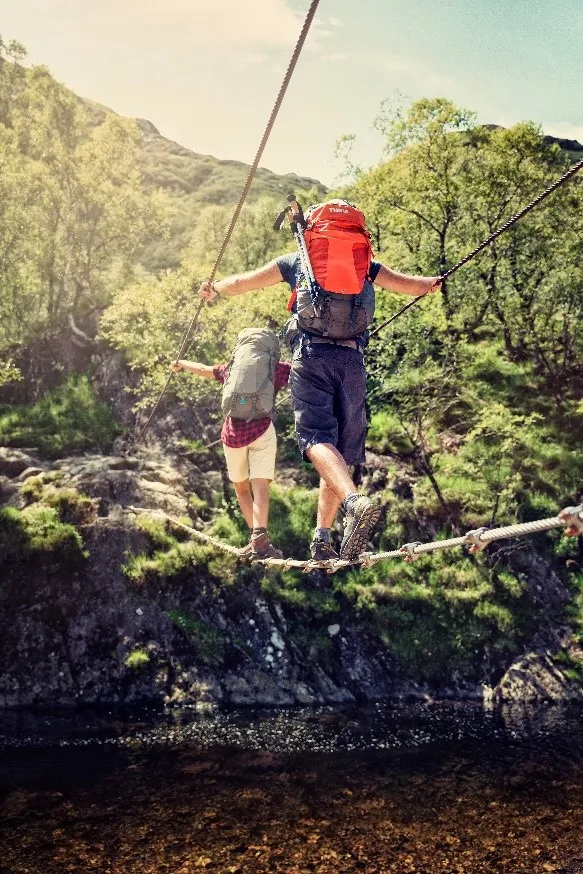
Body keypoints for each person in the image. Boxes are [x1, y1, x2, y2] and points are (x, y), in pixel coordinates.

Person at [199, 200, 441, 563]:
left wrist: (214, 288)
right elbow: (416, 287)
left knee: (316, 439)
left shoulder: (297, 262)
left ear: (311, 231)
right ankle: (322, 537)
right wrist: (437, 282)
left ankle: (354, 503)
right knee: (338, 453)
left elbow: (241, 282)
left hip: (311, 357)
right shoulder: (366, 267)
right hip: (352, 362)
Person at [171, 337, 291, 560]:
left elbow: (202, 368)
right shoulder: (277, 368)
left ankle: (256, 540)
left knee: (242, 489)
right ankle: (260, 541)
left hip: (233, 437)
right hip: (262, 432)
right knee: (261, 487)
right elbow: (305, 373)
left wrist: (180, 363)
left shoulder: (231, 369)